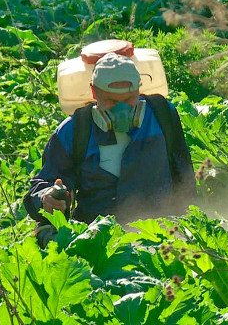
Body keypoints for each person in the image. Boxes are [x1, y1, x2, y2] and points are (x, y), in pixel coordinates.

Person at [23, 52, 197, 247]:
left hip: (159, 233)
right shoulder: (74, 131)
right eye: (112, 101)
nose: (122, 109)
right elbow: (42, 184)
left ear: (139, 90)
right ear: (94, 93)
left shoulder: (162, 114)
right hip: (98, 238)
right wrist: (46, 197)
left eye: (130, 99)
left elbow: (185, 182)